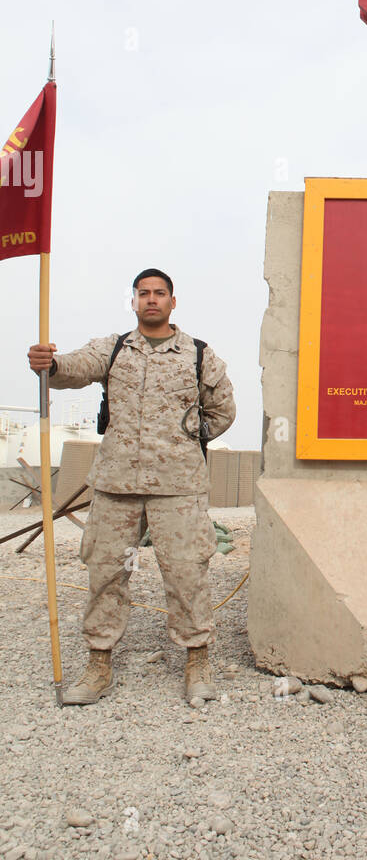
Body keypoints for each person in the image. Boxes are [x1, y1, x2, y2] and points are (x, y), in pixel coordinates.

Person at [28, 269, 236, 706]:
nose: (152, 300)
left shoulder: (199, 355)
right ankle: (98, 662)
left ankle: (197, 660)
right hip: (116, 484)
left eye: (160, 293)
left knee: (186, 574)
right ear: (134, 302)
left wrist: (181, 441)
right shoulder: (116, 348)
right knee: (106, 573)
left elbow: (222, 411)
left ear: (173, 302)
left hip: (178, 486)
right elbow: (75, 369)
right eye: (144, 294)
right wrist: (52, 363)